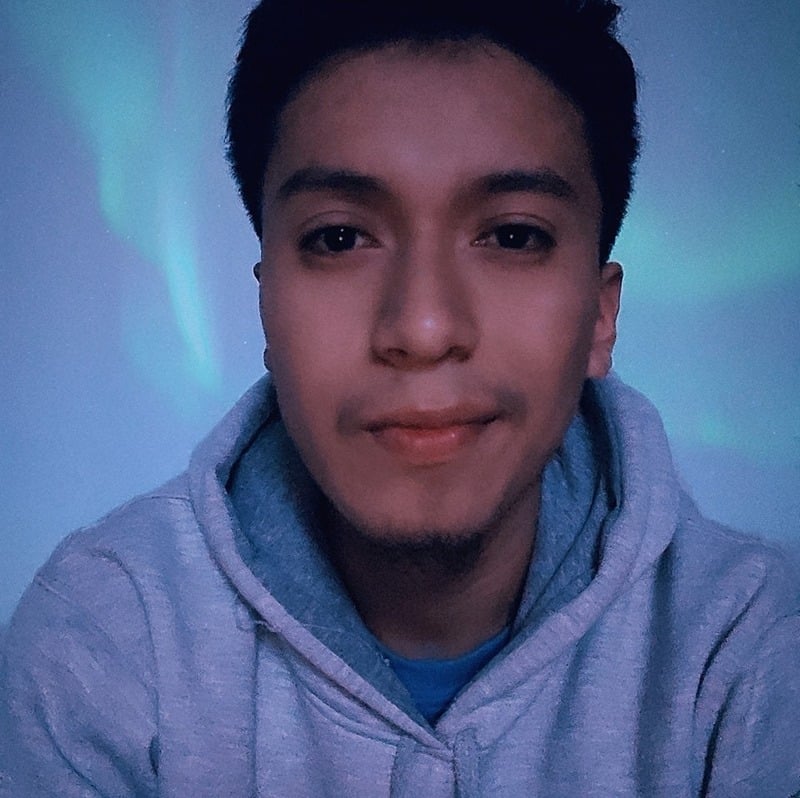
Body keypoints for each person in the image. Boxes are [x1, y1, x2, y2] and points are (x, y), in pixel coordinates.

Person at [1, 0, 798, 795]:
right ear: (266, 306)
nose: (422, 329)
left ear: (599, 313)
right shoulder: (104, 638)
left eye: (513, 235)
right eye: (339, 238)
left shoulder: (753, 651)